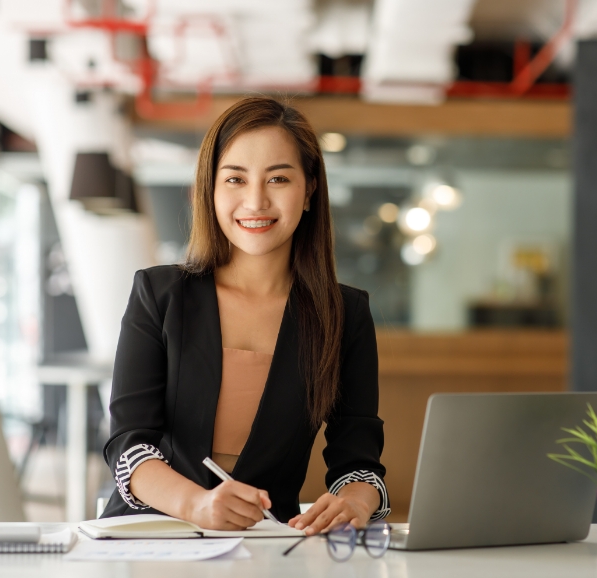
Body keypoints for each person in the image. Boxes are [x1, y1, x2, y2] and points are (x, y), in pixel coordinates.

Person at [101, 96, 389, 535]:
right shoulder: (159, 295)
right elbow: (128, 446)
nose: (255, 201)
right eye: (235, 178)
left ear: (310, 189)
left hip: (269, 544)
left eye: (278, 178)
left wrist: (356, 500)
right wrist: (196, 505)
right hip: (150, 537)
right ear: (211, 189)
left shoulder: (345, 314)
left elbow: (359, 464)